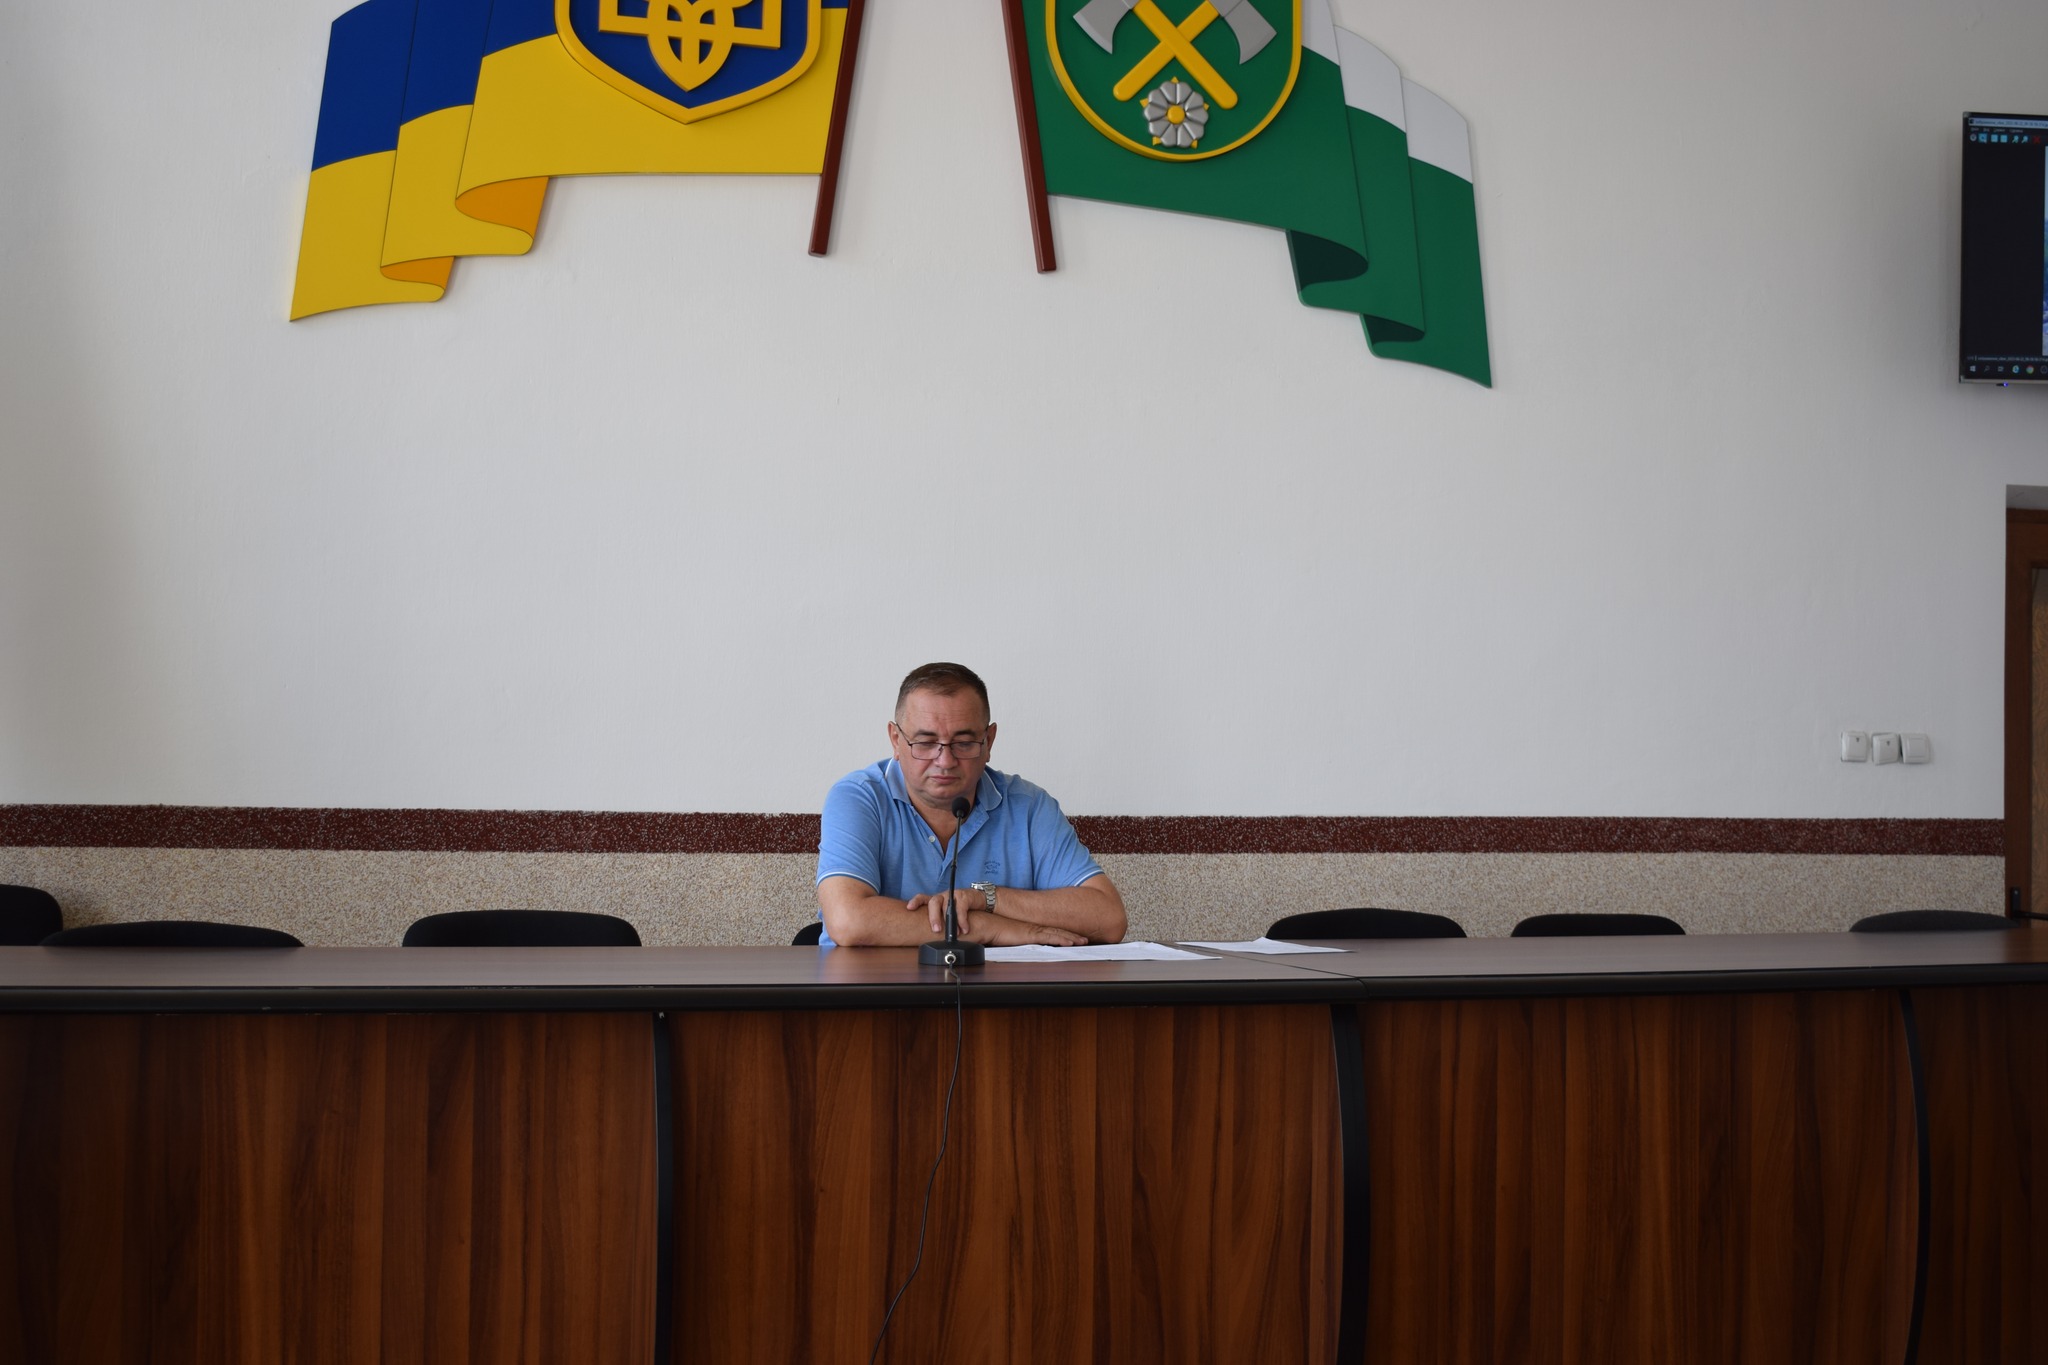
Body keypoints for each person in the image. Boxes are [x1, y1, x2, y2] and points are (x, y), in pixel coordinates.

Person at [815, 662, 1127, 947]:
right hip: (875, 988)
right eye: (926, 742)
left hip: (1000, 989)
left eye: (963, 743)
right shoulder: (859, 798)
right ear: (896, 740)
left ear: (989, 741)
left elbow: (1109, 919)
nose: (945, 761)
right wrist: (987, 928)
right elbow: (848, 921)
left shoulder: (1028, 807)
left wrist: (987, 899)